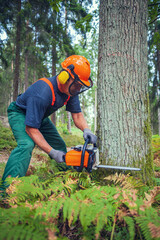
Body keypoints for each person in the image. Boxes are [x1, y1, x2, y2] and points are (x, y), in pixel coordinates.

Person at [2, 55, 97, 181]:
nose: (78, 89)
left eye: (80, 86)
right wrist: (51, 152)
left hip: (40, 117)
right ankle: (7, 188)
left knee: (59, 145)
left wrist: (87, 130)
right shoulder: (42, 92)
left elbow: (77, 115)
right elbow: (31, 129)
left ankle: (62, 180)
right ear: (65, 77)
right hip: (20, 113)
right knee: (26, 145)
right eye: (77, 85)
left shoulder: (71, 90)